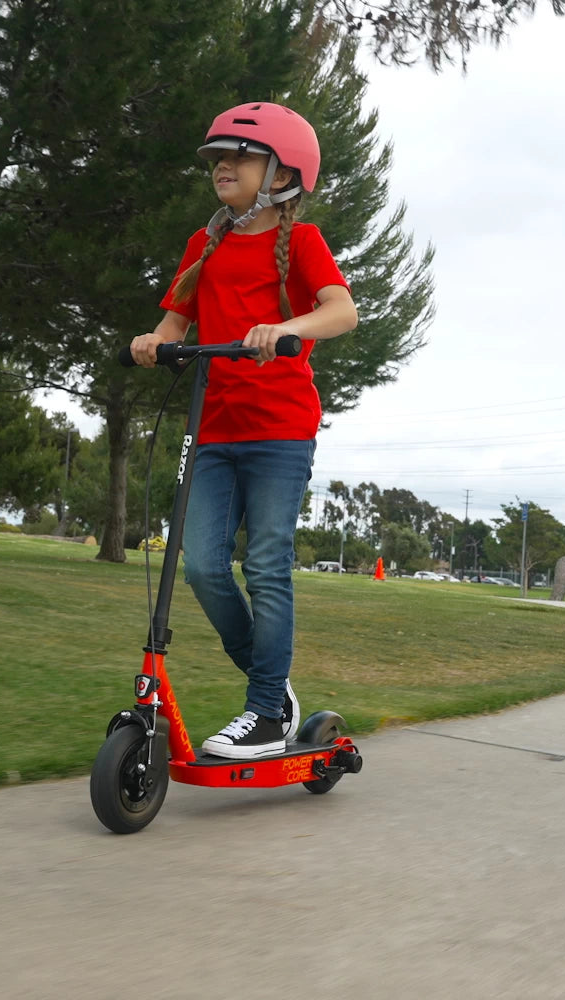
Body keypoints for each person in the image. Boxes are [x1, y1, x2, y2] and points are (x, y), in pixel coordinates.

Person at [128, 102, 358, 760]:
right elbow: (178, 319)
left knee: (264, 564)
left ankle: (264, 712)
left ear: (282, 174)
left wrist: (286, 330)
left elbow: (342, 312)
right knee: (200, 566)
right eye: (216, 158)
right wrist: (156, 341)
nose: (223, 166)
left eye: (240, 156)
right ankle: (273, 688)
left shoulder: (303, 244)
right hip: (214, 427)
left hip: (281, 428)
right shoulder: (206, 245)